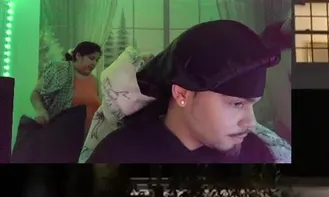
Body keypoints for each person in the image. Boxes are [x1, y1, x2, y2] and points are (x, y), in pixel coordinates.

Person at [88, 20, 282, 163]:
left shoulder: (255, 153)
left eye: (252, 104)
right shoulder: (120, 155)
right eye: (237, 103)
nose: (250, 122)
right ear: (182, 94)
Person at [31, 41, 102, 138]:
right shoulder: (58, 70)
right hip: (61, 136)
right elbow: (35, 94)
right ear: (78, 56)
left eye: (97, 60)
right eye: (91, 58)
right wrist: (41, 111)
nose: (94, 63)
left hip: (90, 139)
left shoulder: (95, 81)